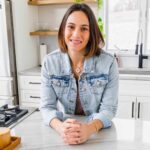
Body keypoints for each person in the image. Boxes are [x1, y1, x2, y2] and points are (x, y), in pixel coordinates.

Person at [40, 3, 119, 145]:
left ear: (91, 33)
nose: (76, 34)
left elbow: (109, 109)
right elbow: (47, 107)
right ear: (63, 29)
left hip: (98, 133)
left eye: (84, 29)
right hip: (66, 130)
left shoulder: (109, 63)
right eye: (71, 27)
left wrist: (90, 129)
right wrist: (61, 128)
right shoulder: (49, 62)